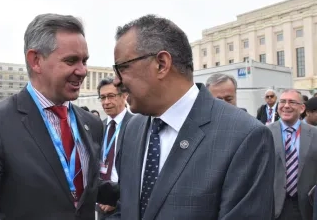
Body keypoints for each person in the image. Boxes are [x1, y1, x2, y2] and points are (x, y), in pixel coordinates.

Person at [107, 14, 275, 220]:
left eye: (122, 68)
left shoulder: (245, 137)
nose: (115, 81)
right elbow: (127, 210)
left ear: (161, 64)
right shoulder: (132, 129)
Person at [0, 13, 104, 220]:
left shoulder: (91, 124)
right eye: (71, 60)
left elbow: (77, 187)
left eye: (84, 61)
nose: (83, 71)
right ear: (36, 61)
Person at [267, 89, 317, 220]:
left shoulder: (315, 134)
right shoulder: (264, 133)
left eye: (292, 102)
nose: (286, 105)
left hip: (307, 207)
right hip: (273, 205)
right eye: (282, 101)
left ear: (302, 108)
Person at [96, 77, 133, 220]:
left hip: (123, 204)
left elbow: (135, 171)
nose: (106, 102)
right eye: (103, 97)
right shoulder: (98, 126)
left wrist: (116, 199)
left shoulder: (137, 125)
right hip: (100, 203)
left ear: (124, 96)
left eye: (111, 96)